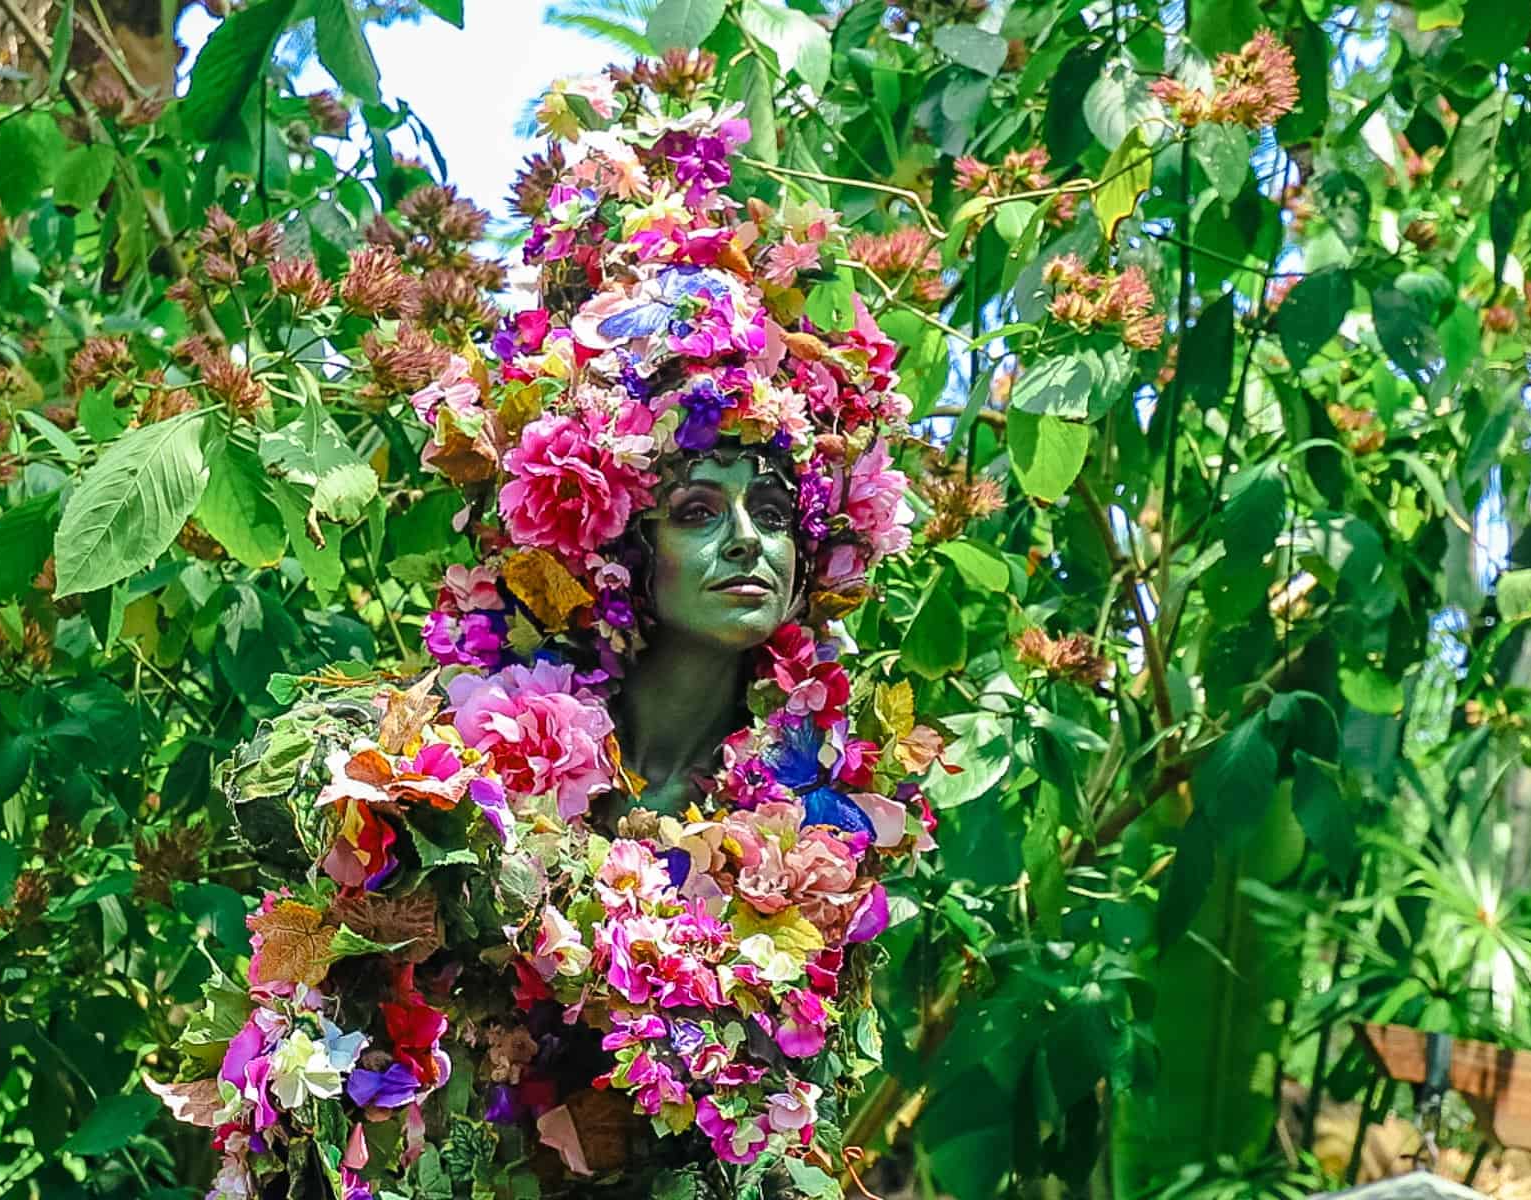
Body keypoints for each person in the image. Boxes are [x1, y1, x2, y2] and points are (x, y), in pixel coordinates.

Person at [155, 67, 944, 1200]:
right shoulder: (502, 736)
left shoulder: (831, 809)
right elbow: (290, 809)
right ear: (625, 543)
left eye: (774, 513)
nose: (746, 544)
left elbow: (756, 1072)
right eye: (696, 510)